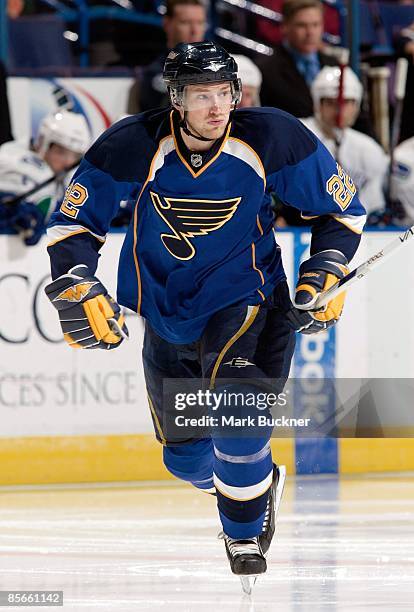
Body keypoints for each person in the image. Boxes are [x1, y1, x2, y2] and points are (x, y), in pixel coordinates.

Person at [44, 42, 366, 591]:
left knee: (236, 419)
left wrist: (325, 268)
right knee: (187, 461)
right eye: (202, 96)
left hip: (250, 303)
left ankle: (242, 533)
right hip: (167, 313)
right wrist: (76, 281)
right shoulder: (134, 144)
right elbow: (73, 225)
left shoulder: (271, 136)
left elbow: (343, 212)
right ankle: (253, 484)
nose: (217, 108)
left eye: (224, 93)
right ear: (176, 99)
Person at [301, 66, 389, 215]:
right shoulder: (299, 135)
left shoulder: (369, 149)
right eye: (331, 102)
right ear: (318, 104)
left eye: (347, 102)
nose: (340, 111)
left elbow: (372, 205)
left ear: (357, 105)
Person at [0, 110, 90, 245]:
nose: (68, 162)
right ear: (42, 141)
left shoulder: (72, 175)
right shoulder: (11, 160)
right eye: (61, 152)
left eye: (75, 156)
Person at [258, 0, 337, 117]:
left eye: (315, 25)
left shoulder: (334, 65)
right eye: (302, 25)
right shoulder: (266, 70)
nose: (310, 32)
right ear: (285, 27)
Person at [127, 0, 207, 114]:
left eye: (200, 23)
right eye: (186, 22)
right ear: (167, 24)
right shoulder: (155, 74)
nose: (195, 30)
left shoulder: (221, 66)